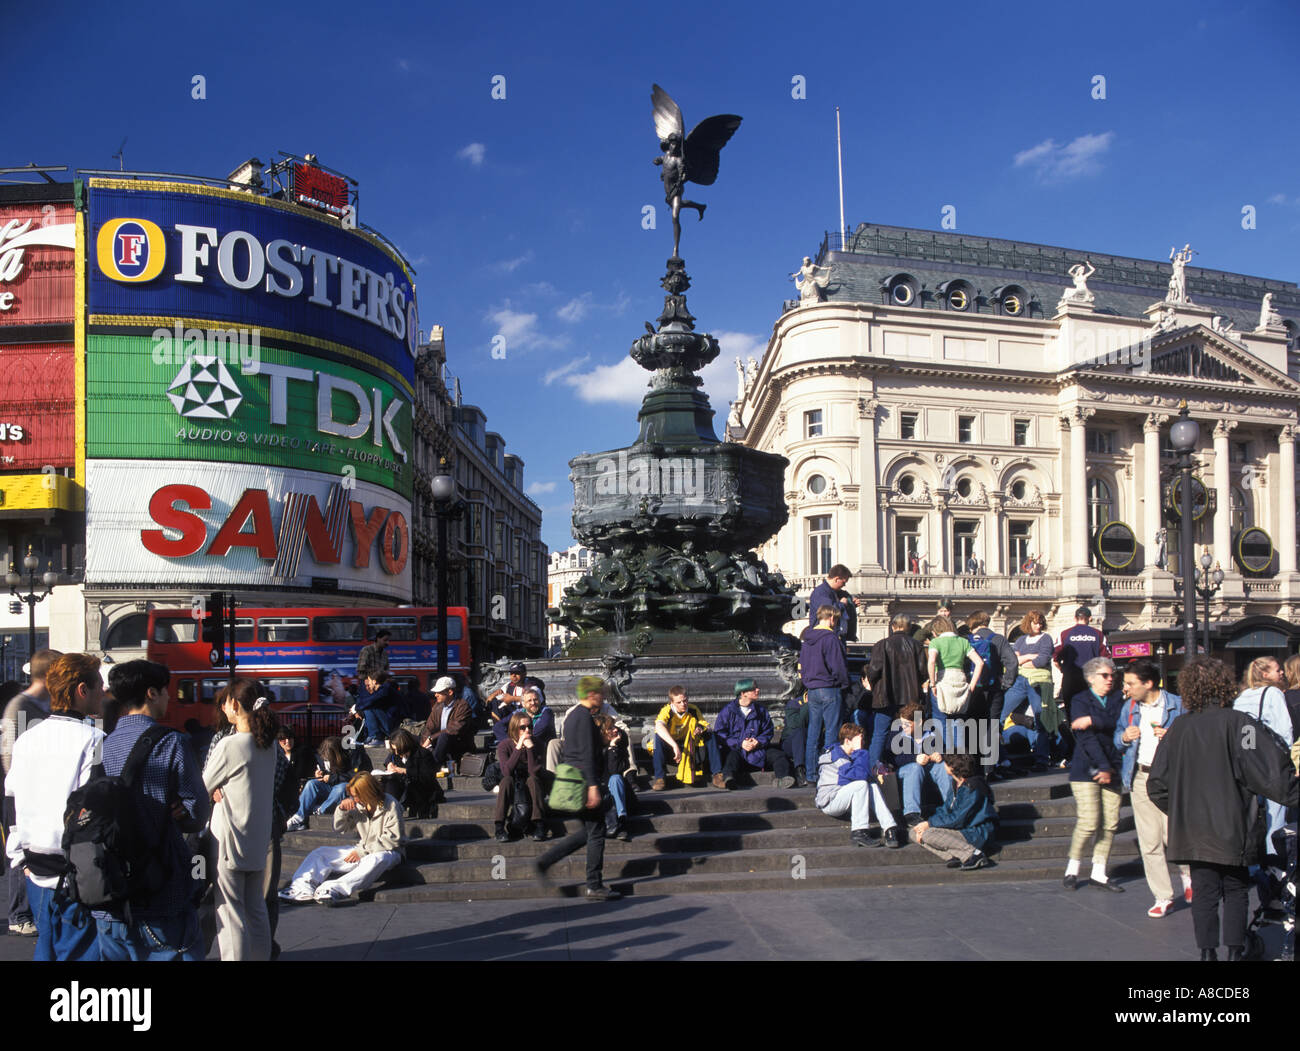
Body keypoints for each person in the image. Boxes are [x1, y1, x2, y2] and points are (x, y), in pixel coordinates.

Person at [1148, 657, 1299, 961]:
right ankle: (1234, 951)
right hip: (1233, 823)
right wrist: (1292, 793)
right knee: (1235, 888)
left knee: (1204, 891)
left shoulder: (1178, 728)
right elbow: (1265, 770)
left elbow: (1157, 784)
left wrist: (1181, 810)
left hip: (1192, 828)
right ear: (1225, 685)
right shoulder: (1240, 724)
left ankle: (1207, 952)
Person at [95, 659, 209, 961]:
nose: (169, 697)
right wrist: (180, 813)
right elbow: (198, 812)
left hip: (109, 891)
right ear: (151, 693)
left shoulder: (100, 745)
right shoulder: (172, 743)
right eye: (166, 690)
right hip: (161, 886)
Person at [5, 653, 105, 960]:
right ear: (82, 690)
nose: (103, 691)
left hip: (35, 866)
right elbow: (94, 807)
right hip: (75, 872)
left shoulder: (27, 740)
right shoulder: (94, 739)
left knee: (46, 949)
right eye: (99, 685)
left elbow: (12, 800)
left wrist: (19, 858)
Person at [203, 679, 277, 961]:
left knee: (230, 912)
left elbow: (203, 786)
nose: (223, 708)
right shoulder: (268, 745)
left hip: (229, 839)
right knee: (256, 909)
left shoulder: (230, 744)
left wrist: (215, 790)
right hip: (257, 838)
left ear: (234, 704)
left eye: (225, 702)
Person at [1113, 660, 1190, 917]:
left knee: (1174, 834)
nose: (1126, 688)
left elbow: (1193, 739)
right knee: (1149, 840)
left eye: (1130, 683)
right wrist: (1124, 738)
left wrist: (1172, 737)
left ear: (1148, 683)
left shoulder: (1177, 705)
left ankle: (1188, 875)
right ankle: (1162, 896)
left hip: (1171, 777)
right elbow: (1117, 739)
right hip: (1140, 775)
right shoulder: (1129, 708)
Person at [534, 676, 621, 901]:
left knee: (588, 832)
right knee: (597, 831)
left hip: (574, 780)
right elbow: (585, 755)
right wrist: (593, 786)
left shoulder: (573, 716)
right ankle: (594, 885)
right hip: (583, 782)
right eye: (601, 693)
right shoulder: (583, 717)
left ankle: (545, 862)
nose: (603, 698)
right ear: (592, 694)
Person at [1, 648, 61, 938]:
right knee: (20, 848)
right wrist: (26, 787)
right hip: (20, 793)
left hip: (36, 789)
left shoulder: (43, 704)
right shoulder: (20, 705)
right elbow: (8, 754)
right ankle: (19, 914)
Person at [279, 772, 404, 905]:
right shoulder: (359, 805)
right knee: (320, 853)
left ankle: (333, 889)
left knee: (377, 859)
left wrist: (362, 851)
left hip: (389, 851)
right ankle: (301, 888)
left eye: (356, 796)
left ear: (367, 792)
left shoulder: (391, 804)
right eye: (353, 796)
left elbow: (393, 839)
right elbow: (340, 828)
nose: (354, 799)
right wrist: (341, 809)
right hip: (363, 849)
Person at [1063, 657, 1124, 892]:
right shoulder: (1080, 700)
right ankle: (1073, 868)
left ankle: (1099, 871)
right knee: (1089, 822)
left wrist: (1094, 720)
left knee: (1110, 823)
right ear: (1091, 678)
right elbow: (1085, 737)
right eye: (1104, 675)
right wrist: (1103, 766)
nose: (1110, 679)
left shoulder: (1118, 698)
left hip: (1114, 765)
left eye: (1112, 675)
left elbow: (1119, 722)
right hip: (1086, 767)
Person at [1231, 656, 1295, 856]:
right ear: (1265, 674)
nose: (1281, 672)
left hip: (1248, 763)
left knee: (1252, 815)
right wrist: (1288, 760)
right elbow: (1285, 730)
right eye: (1277, 669)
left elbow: (1243, 734)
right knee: (1276, 814)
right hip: (1271, 764)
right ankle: (1274, 859)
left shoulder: (1242, 696)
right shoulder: (1273, 693)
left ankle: (1254, 862)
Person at [815, 723, 900, 847]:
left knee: (872, 786)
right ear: (847, 741)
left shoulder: (851, 755)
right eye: (859, 740)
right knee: (861, 784)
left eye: (862, 740)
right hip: (830, 801)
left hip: (844, 797)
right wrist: (860, 752)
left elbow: (865, 777)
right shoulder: (836, 756)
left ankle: (889, 828)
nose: (862, 743)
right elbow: (858, 777)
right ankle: (858, 832)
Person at [910, 753, 997, 870]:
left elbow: (958, 818)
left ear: (952, 768)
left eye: (945, 763)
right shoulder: (955, 784)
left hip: (975, 832)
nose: (943, 765)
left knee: (927, 834)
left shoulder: (972, 788)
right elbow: (945, 810)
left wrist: (930, 824)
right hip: (960, 829)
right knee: (914, 832)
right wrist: (926, 824)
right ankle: (955, 856)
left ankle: (974, 854)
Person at [863, 614, 927, 769]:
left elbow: (874, 670)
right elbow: (923, 672)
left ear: (892, 626)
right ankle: (916, 765)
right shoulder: (916, 645)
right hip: (911, 697)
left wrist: (872, 684)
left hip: (885, 696)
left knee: (880, 734)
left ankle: (873, 769)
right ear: (909, 628)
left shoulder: (882, 644)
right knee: (915, 733)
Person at [999, 610, 1057, 772]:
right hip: (1020, 681)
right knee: (1000, 715)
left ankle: (1042, 760)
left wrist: (1024, 660)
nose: (1038, 625)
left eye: (1040, 622)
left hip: (1038, 682)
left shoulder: (1046, 638)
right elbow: (1014, 660)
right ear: (1028, 623)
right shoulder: (1020, 640)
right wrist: (1031, 656)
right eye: (1035, 622)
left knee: (1040, 720)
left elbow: (1042, 660)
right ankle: (999, 758)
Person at [800, 604, 851, 782]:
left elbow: (802, 665)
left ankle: (811, 774)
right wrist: (845, 683)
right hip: (829, 688)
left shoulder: (807, 638)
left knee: (813, 733)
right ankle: (827, 773)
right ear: (831, 618)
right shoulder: (830, 638)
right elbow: (838, 666)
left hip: (812, 689)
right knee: (831, 732)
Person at [965, 611, 1017, 779]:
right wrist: (1006, 684)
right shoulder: (999, 639)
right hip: (994, 689)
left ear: (972, 624)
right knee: (991, 727)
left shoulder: (967, 640)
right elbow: (1012, 662)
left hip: (973, 690)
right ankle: (989, 770)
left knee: (972, 726)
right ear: (987, 622)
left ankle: (974, 768)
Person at [714, 679, 794, 789]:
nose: (758, 690)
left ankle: (782, 779)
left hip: (758, 751)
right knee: (732, 757)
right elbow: (720, 733)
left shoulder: (760, 710)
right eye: (753, 689)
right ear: (743, 693)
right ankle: (728, 779)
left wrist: (758, 741)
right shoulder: (728, 711)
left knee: (779, 755)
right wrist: (740, 743)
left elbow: (768, 730)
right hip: (738, 751)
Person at [285, 736, 369, 831]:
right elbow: (327, 770)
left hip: (346, 788)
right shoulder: (325, 756)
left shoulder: (353, 754)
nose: (327, 761)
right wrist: (321, 773)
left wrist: (332, 778)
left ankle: (321, 810)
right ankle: (299, 817)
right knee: (312, 784)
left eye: (329, 759)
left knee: (342, 788)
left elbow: (354, 776)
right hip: (331, 785)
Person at [649, 685, 723, 790]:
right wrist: (674, 746)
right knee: (657, 738)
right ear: (672, 702)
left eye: (685, 700)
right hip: (671, 746)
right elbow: (659, 726)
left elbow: (705, 724)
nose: (683, 704)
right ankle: (660, 778)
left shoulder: (693, 709)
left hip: (688, 744)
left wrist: (700, 728)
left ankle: (717, 774)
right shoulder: (667, 710)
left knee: (710, 735)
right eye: (679, 702)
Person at [1054, 606, 1108, 749]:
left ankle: (1076, 748)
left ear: (1075, 618)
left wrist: (1063, 669)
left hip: (1070, 680)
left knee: (1072, 714)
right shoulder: (1098, 634)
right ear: (1090, 618)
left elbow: (1055, 656)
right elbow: (1107, 659)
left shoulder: (1065, 634)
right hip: (1091, 681)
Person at [892, 701, 952, 828]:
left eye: (907, 724)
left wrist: (939, 755)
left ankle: (951, 806)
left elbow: (943, 750)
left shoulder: (932, 733)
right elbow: (894, 758)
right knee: (915, 767)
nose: (903, 726)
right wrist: (914, 758)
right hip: (905, 772)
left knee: (941, 766)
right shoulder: (897, 734)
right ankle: (911, 813)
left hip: (927, 770)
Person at [494, 712, 545, 842]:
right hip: (514, 783)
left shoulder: (538, 744)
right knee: (506, 781)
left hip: (532, 784)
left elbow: (533, 772)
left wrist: (530, 749)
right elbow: (506, 771)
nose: (527, 730)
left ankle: (539, 824)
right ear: (514, 728)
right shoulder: (504, 745)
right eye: (522, 727)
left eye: (530, 727)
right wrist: (518, 748)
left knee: (533, 780)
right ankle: (499, 827)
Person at [927, 615, 981, 720]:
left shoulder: (935, 642)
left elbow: (932, 661)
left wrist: (932, 684)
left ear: (935, 631)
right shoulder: (963, 641)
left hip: (942, 680)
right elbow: (979, 663)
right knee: (958, 721)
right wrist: (971, 686)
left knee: (941, 721)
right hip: (960, 679)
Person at [383, 728, 441, 818]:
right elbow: (389, 759)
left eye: (397, 749)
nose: (396, 753)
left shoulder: (423, 754)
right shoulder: (396, 754)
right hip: (404, 786)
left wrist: (404, 770)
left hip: (422, 788)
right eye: (394, 750)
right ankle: (389, 810)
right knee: (389, 782)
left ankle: (393, 810)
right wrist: (389, 764)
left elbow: (427, 776)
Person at [421, 675, 475, 771]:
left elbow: (454, 729)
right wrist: (424, 744)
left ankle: (432, 765)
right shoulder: (437, 706)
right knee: (406, 736)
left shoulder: (463, 706)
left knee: (444, 736)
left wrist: (431, 738)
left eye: (439, 692)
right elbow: (429, 727)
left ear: (450, 692)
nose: (435, 695)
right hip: (438, 742)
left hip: (457, 744)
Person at [594, 714, 634, 841]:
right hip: (600, 793)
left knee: (615, 778)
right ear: (602, 732)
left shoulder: (619, 747)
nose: (616, 730)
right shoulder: (593, 750)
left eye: (614, 726)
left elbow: (614, 771)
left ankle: (621, 820)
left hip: (618, 791)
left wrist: (612, 748)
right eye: (610, 728)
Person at [807, 563, 860, 641]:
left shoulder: (835, 592)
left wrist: (851, 604)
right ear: (836, 579)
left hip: (835, 636)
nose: (844, 585)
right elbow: (829, 611)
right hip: (824, 637)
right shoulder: (821, 592)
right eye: (843, 582)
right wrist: (843, 604)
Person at [352, 671, 400, 746]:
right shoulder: (383, 689)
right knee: (369, 707)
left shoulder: (384, 690)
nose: (369, 684)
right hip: (392, 722)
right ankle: (373, 737)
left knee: (369, 708)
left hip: (394, 725)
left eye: (369, 681)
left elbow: (368, 702)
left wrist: (356, 709)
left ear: (374, 681)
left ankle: (375, 737)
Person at [521, 687, 556, 755]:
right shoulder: (519, 713)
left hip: (545, 751)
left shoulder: (546, 712)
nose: (533, 703)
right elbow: (500, 725)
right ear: (523, 704)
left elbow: (538, 730)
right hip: (525, 747)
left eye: (535, 699)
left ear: (540, 701)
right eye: (529, 700)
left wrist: (522, 738)